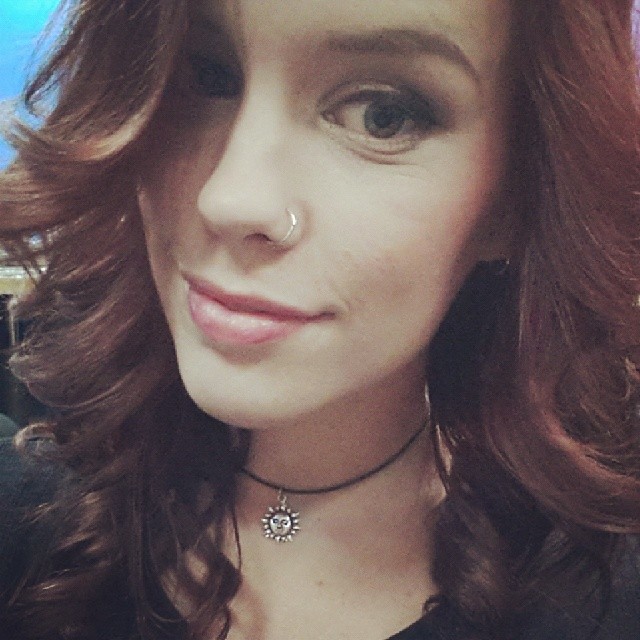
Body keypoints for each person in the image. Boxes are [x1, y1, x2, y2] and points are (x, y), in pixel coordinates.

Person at [0, 0, 639, 638]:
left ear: (518, 194)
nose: (229, 200)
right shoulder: (37, 491)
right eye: (207, 76)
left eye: (383, 116)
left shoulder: (601, 593)